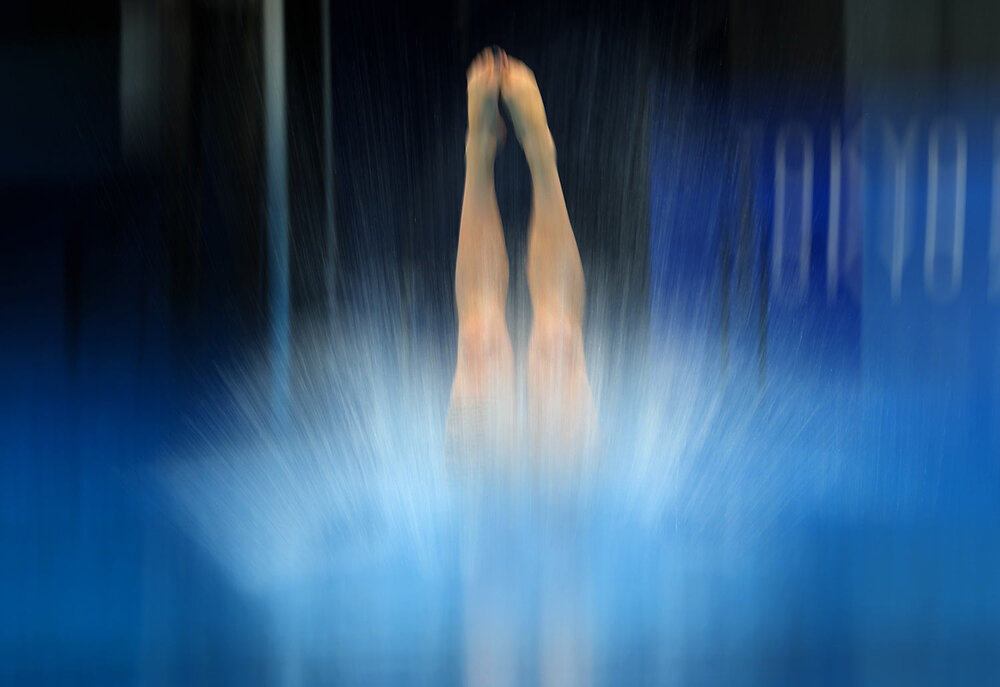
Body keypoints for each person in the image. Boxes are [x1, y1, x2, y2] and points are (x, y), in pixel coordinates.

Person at [446, 47, 598, 471]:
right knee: (481, 343)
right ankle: (480, 152)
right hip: (481, 523)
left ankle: (537, 152)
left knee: (557, 346)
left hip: (570, 521)